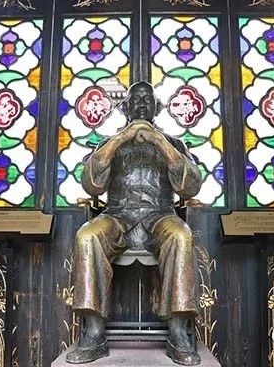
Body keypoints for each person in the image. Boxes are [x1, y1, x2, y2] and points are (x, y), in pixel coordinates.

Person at [66, 82, 202, 365]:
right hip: (117, 216)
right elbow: (92, 184)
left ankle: (178, 331)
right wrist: (120, 139)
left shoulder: (175, 144)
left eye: (147, 100)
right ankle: (94, 333)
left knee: (181, 235)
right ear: (125, 108)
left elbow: (190, 187)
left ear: (157, 108)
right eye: (135, 101)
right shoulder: (109, 143)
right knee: (87, 236)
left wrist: (160, 142)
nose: (141, 105)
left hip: (160, 216)